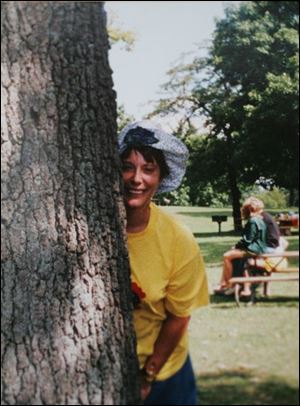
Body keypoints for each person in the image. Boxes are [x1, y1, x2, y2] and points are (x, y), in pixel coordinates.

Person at [118, 120, 209, 405]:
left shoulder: (177, 238)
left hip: (166, 374)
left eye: (148, 168)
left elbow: (179, 316)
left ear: (161, 177)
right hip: (110, 372)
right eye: (127, 166)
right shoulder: (90, 229)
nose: (137, 178)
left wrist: (148, 377)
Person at [214, 197, 268, 295]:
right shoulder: (261, 221)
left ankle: (229, 284)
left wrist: (236, 247)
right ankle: (225, 283)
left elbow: (247, 240)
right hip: (260, 249)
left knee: (226, 256)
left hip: (252, 250)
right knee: (231, 255)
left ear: (249, 209)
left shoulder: (253, 221)